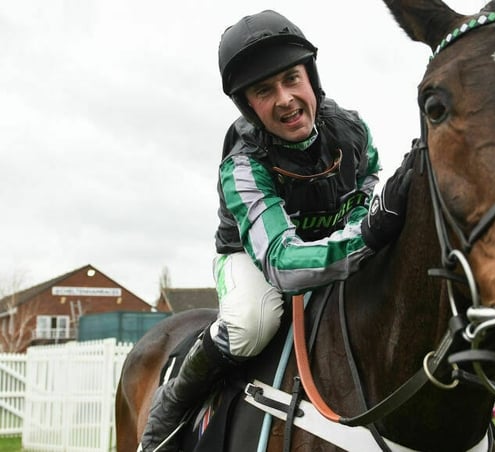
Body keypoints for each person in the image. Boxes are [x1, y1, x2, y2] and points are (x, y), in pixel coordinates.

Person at [140, 10, 413, 451]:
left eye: (291, 79)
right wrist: (368, 234)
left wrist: (363, 217)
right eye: (264, 90)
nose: (285, 99)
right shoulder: (242, 165)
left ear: (311, 78)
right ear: (248, 105)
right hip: (255, 257)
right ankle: (171, 407)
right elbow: (284, 263)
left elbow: (367, 177)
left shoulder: (353, 130)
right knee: (252, 323)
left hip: (329, 241)